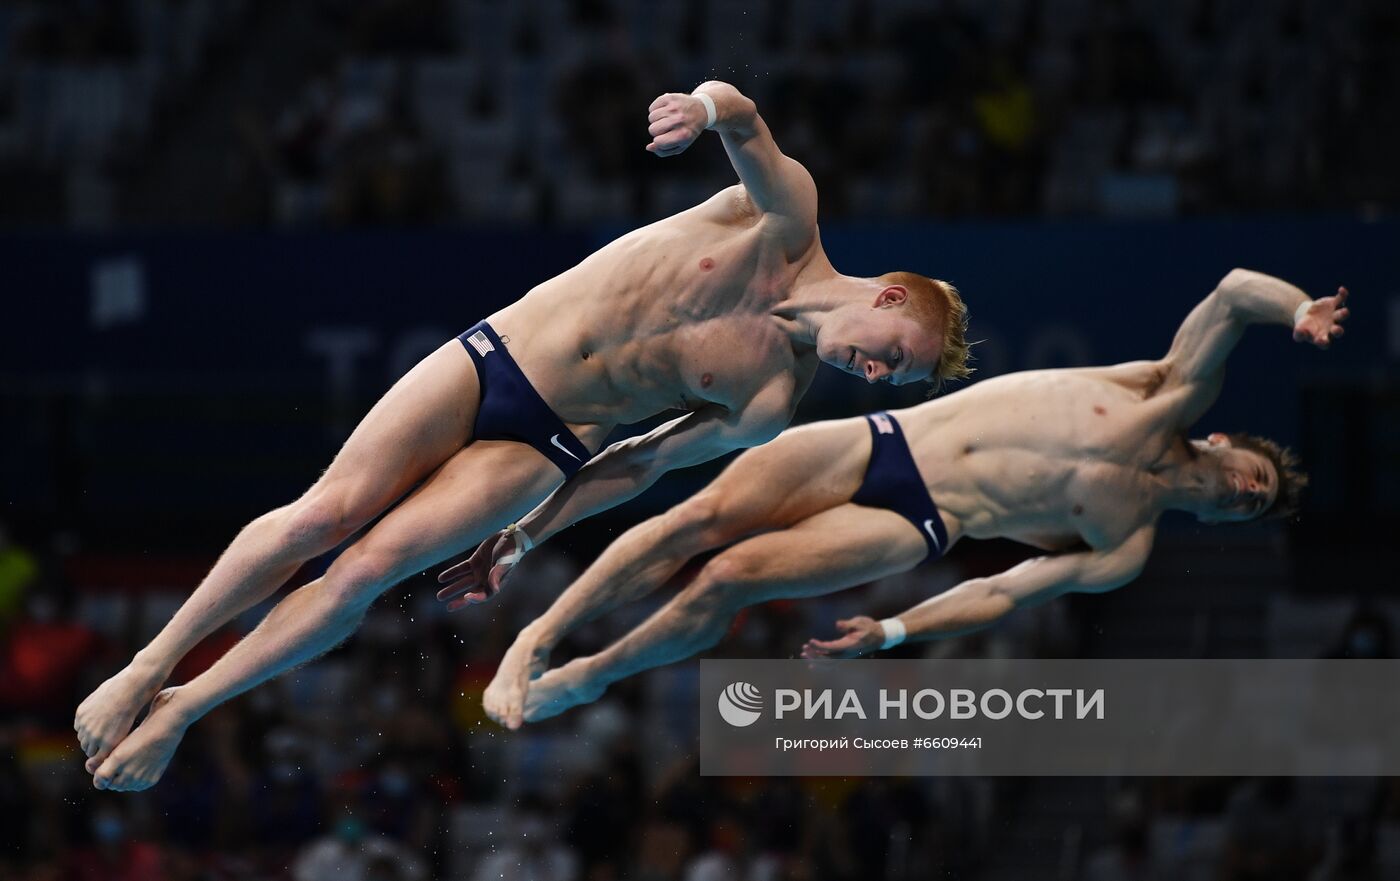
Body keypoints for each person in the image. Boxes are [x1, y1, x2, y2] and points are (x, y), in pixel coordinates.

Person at [73, 81, 971, 792]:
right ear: (887, 297)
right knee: (326, 515)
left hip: (546, 445)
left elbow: (638, 465)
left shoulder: (773, 399)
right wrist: (698, 109)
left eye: (895, 378)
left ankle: (185, 707)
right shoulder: (787, 216)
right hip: (496, 354)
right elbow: (742, 113)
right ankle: (147, 665)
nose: (879, 376)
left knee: (363, 572)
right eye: (895, 355)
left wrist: (526, 532)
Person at [472, 270, 1347, 727]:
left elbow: (1003, 590)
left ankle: (585, 679)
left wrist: (896, 632)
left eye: (1249, 508)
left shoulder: (1126, 550)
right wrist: (1298, 306)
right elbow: (1234, 292)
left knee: (730, 577)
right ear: (1231, 447)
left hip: (918, 524)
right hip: (880, 445)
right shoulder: (1166, 393)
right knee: (693, 521)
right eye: (1253, 480)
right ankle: (536, 640)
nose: (1241, 495)